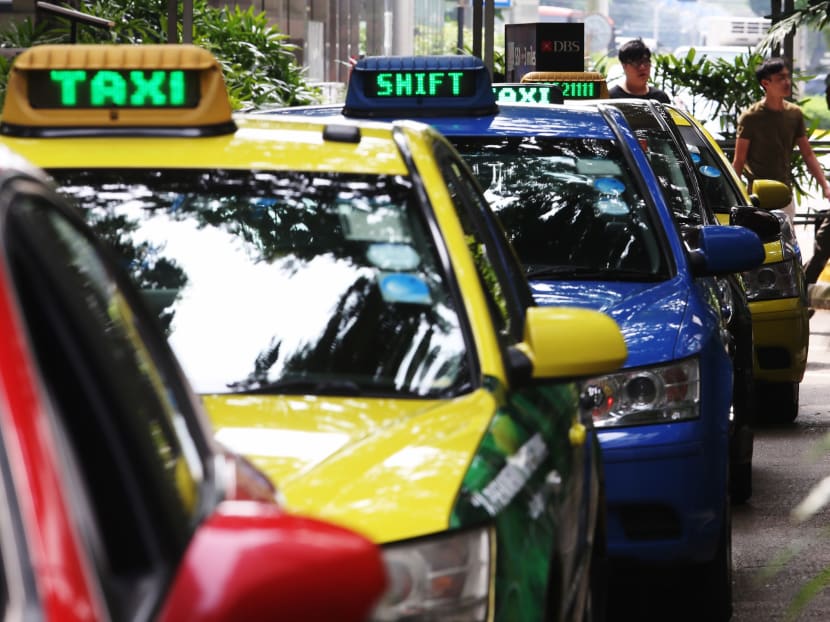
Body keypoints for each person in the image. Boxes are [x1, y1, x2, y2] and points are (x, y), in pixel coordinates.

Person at [731, 57, 830, 227]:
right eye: (780, 78)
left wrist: (825, 185)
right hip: (756, 198)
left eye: (787, 77)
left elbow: (807, 153)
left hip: (784, 195)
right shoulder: (750, 117)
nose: (787, 82)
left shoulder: (794, 114)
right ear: (765, 83)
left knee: (787, 247)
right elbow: (739, 160)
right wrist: (732, 195)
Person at [609, 38, 671, 103]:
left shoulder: (660, 98)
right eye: (636, 63)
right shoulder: (612, 98)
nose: (642, 67)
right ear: (624, 65)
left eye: (646, 62)